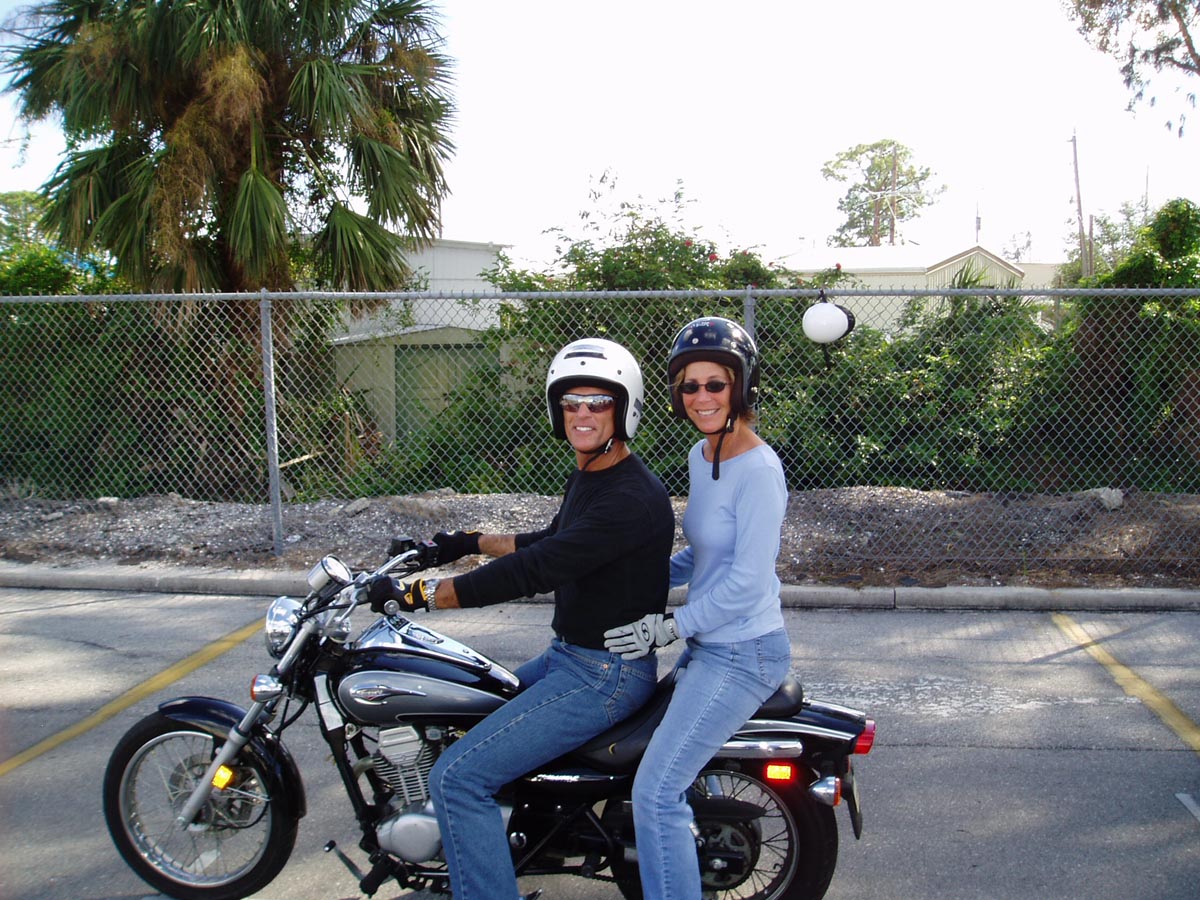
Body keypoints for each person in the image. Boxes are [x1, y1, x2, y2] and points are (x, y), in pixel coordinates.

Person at [369, 337, 674, 900]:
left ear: (624, 408)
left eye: (598, 402)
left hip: (603, 676)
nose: (582, 413)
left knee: (457, 777)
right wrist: (464, 542)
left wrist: (421, 595)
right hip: (570, 659)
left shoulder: (629, 498)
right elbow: (550, 541)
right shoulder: (594, 475)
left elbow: (538, 567)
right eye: (571, 402)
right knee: (461, 712)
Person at [603, 316, 792, 900]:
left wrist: (668, 626)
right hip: (710, 647)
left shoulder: (759, 470)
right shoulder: (702, 453)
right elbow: (704, 554)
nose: (701, 397)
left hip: (744, 652)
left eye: (716, 384)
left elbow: (747, 583)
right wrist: (634, 580)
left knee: (656, 791)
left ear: (742, 386)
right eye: (689, 386)